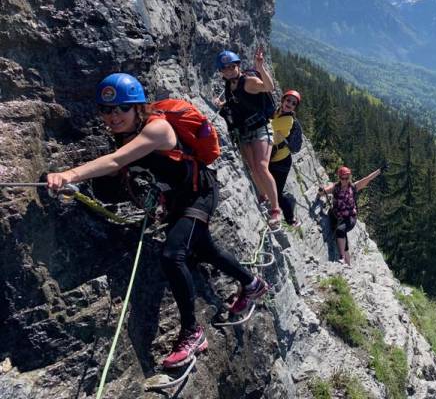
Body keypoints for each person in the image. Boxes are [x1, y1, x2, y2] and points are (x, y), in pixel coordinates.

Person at [46, 73, 269, 370]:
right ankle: (252, 283)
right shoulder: (129, 131)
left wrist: (69, 175)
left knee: (173, 254)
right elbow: (120, 166)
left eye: (120, 109)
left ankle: (192, 332)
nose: (112, 116)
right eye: (106, 110)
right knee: (204, 250)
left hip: (198, 194)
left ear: (137, 108)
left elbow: (115, 161)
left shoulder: (158, 128)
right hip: (180, 196)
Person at [214, 48, 281, 227]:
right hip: (245, 131)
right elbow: (237, 102)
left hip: (260, 128)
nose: (229, 70)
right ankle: (263, 196)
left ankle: (275, 210)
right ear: (221, 71)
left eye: (231, 66)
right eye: (225, 68)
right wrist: (221, 103)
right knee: (252, 167)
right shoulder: (230, 86)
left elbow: (269, 87)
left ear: (238, 66)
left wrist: (260, 66)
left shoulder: (248, 81)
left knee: (261, 166)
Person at [318, 166, 382, 265]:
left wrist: (379, 170)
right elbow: (322, 192)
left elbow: (367, 179)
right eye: (343, 178)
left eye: (347, 178)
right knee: (343, 241)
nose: (345, 180)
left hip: (350, 218)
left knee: (340, 230)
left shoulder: (353, 187)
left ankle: (342, 257)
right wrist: (321, 190)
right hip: (338, 217)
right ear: (339, 178)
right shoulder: (335, 187)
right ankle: (348, 266)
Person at [269, 90, 303, 226]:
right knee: (270, 185)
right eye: (288, 100)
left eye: (293, 103)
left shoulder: (288, 120)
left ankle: (290, 219)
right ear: (283, 100)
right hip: (274, 157)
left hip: (281, 162)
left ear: (295, 108)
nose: (289, 104)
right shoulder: (277, 112)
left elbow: (268, 126)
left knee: (277, 192)